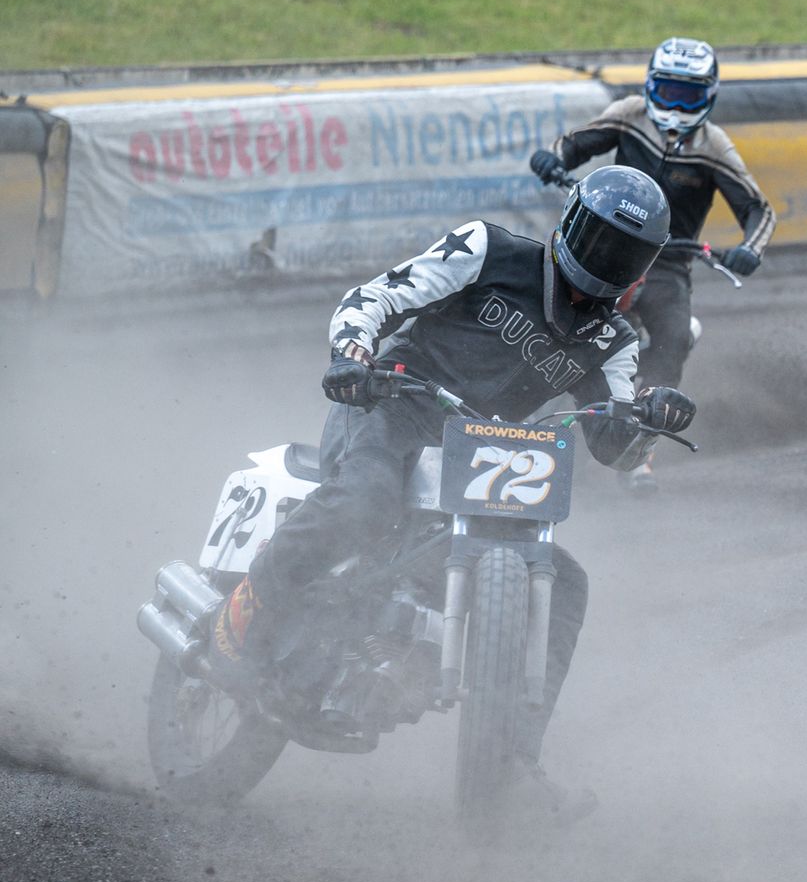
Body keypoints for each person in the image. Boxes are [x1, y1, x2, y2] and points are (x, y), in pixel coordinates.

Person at [207, 166, 695, 778]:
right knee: (365, 501)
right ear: (570, 220)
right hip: (392, 407)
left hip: (481, 460)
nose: (608, 259)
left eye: (626, 253)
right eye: (600, 239)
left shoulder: (613, 341)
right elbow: (377, 296)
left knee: (566, 582)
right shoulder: (488, 250)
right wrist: (352, 354)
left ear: (643, 266)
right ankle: (252, 602)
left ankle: (515, 758)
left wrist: (648, 419)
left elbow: (611, 443)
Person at [530, 38, 774, 384]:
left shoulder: (715, 146)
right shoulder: (629, 113)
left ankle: (650, 420)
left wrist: (750, 249)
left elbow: (757, 209)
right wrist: (554, 159)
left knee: (671, 340)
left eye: (687, 96)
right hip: (601, 245)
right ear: (649, 86)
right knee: (541, 295)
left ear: (709, 96)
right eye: (666, 92)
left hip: (666, 261)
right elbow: (574, 144)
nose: (674, 107)